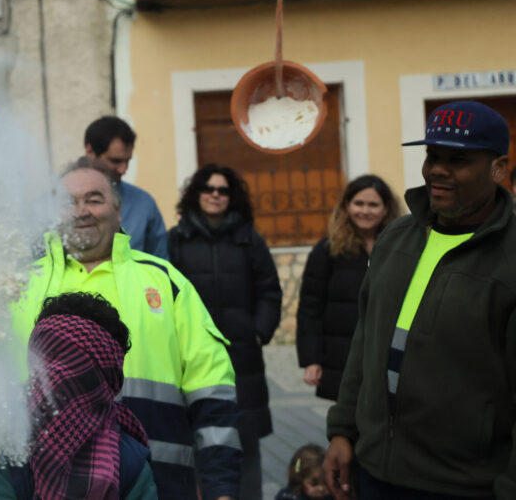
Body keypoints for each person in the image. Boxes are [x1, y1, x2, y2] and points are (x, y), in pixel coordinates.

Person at [14, 157, 241, 500]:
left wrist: (220, 485)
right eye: (69, 202)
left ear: (119, 211)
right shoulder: (18, 288)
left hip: (160, 481)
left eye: (94, 199)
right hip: (39, 486)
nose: (81, 211)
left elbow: (212, 389)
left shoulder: (165, 282)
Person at [324, 100, 516, 499]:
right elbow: (365, 341)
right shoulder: (396, 238)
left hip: (466, 485)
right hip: (375, 470)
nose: (438, 170)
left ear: (498, 168)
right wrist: (343, 431)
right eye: (432, 156)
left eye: (458, 159)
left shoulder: (510, 257)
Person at [166, 164, 282, 500]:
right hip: (193, 358)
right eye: (208, 188)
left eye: (223, 190)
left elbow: (269, 290)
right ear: (196, 194)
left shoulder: (248, 239)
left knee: (244, 442)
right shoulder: (177, 239)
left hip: (241, 357)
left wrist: (258, 331)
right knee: (196, 436)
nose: (215, 195)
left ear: (232, 197)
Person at [0, 293, 158, 499]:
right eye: (50, 366)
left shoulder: (4, 447)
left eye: (74, 368)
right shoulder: (4, 449)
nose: (59, 379)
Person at [295, 175, 399, 401]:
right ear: (346, 206)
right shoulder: (327, 250)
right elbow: (310, 308)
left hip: (388, 354)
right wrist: (312, 360)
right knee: (347, 425)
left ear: (386, 209)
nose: (365, 211)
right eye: (359, 203)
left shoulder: (399, 248)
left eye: (373, 205)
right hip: (341, 357)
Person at [84, 117, 168, 258]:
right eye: (115, 161)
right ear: (90, 151)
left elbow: (160, 265)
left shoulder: (144, 203)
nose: (123, 170)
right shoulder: (54, 203)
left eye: (127, 161)